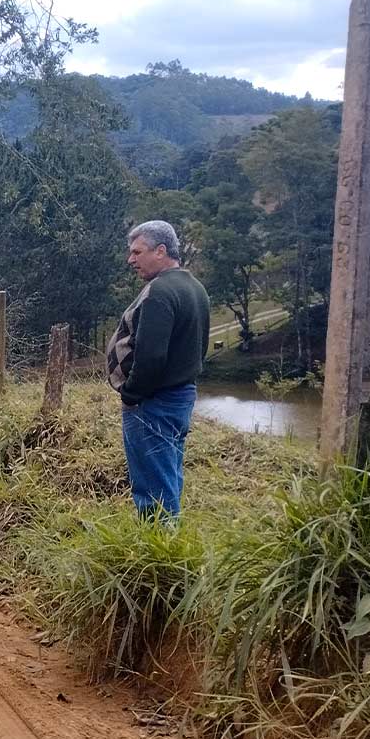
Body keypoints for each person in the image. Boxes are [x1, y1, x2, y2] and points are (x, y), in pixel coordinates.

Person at [105, 220, 210, 519]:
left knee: (152, 487)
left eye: (138, 252)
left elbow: (151, 357)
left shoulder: (160, 292)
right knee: (168, 474)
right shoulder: (193, 287)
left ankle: (156, 556)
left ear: (161, 250)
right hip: (180, 396)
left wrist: (131, 394)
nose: (131, 260)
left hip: (154, 402)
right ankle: (168, 543)